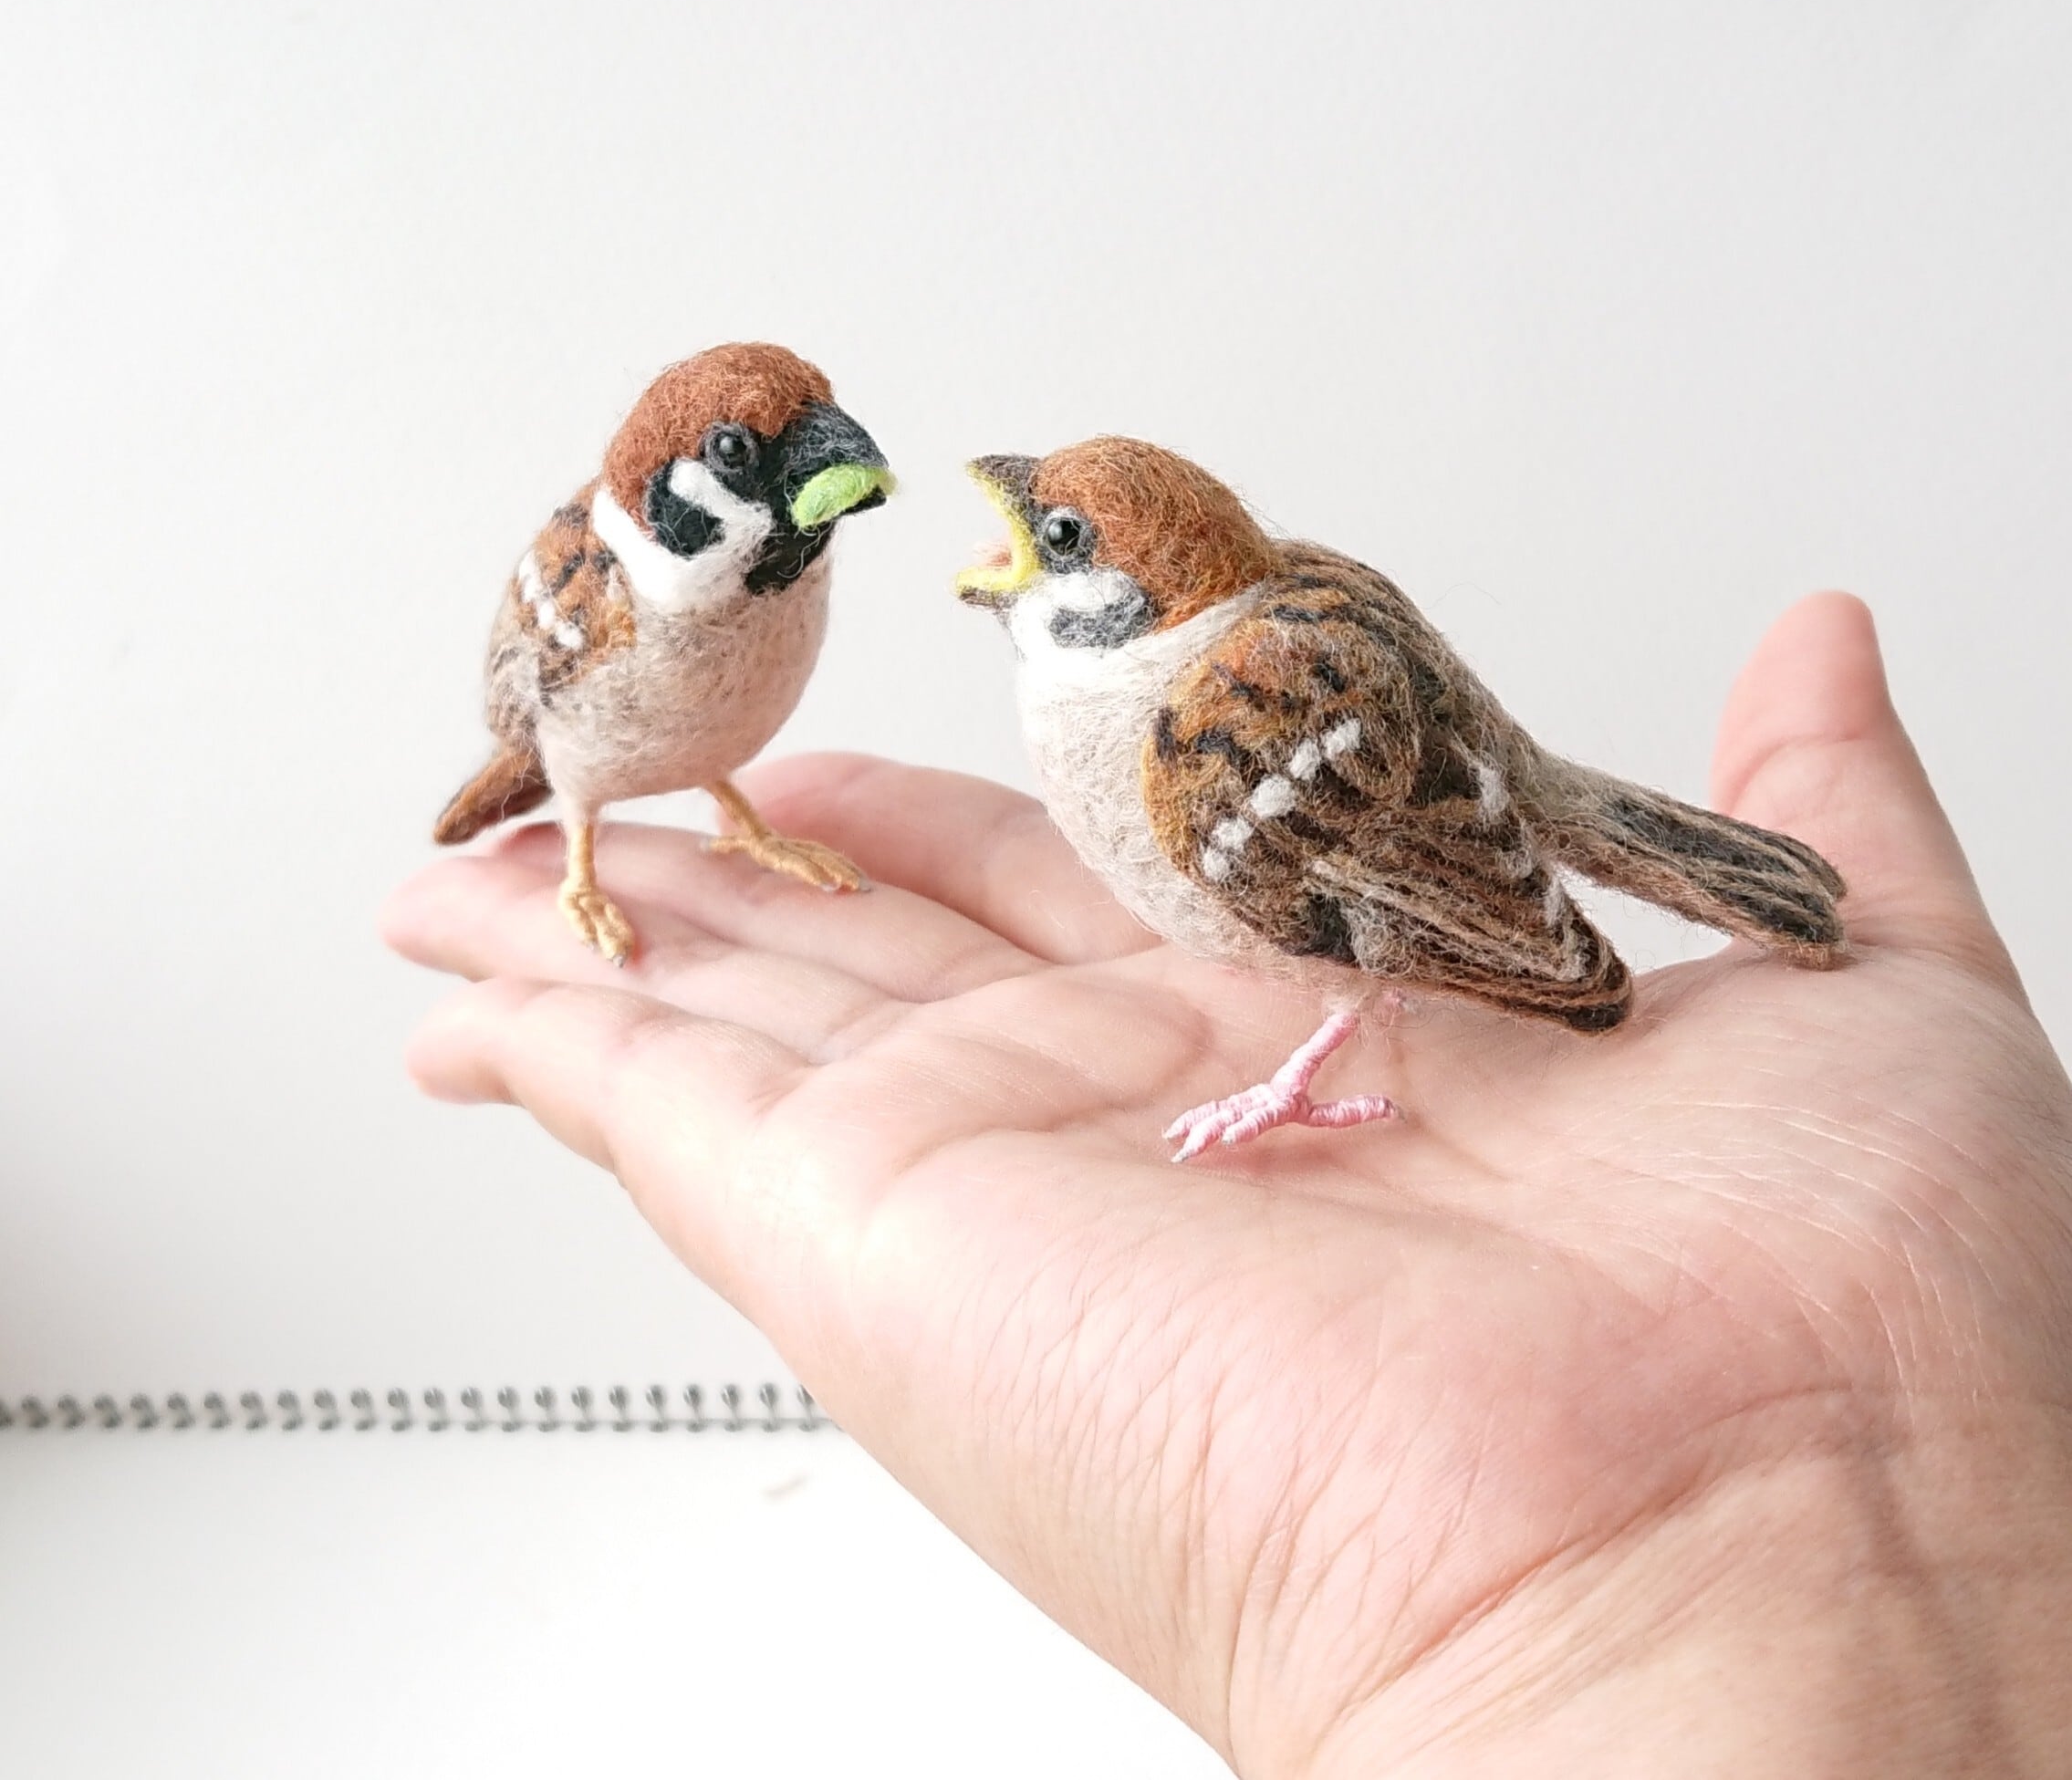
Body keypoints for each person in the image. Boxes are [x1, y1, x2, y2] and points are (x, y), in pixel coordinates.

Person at [383, 594, 2072, 1776]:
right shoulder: (1224, 653)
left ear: (1130, 603)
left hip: (1405, 906)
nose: (1007, 581)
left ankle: (1311, 1066)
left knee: (1324, 938)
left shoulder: (1183, 729)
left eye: (1055, 559)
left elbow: (1385, 890)